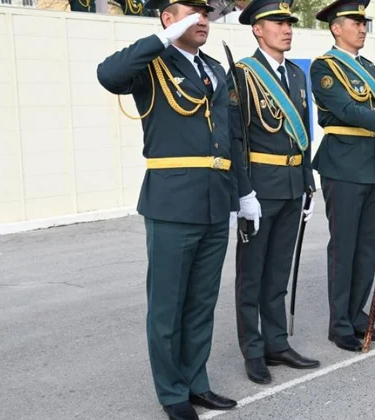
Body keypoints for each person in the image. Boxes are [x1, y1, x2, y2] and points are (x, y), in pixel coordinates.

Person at [96, 0, 261, 417]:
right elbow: (107, 74)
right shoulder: (152, 63)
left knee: (202, 302)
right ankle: (172, 393)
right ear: (169, 19)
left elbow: (230, 140)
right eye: (192, 12)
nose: (203, 19)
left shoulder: (214, 70)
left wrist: (244, 194)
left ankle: (196, 382)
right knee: (168, 306)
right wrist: (160, 39)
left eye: (206, 13)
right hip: (172, 202)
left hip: (215, 200)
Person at [310, 0, 375, 352]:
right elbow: (345, 110)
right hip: (343, 166)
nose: (362, 27)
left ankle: (357, 315)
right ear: (335, 28)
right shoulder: (324, 68)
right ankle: (339, 323)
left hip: (372, 166)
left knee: (366, 248)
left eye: (364, 22)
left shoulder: (369, 66)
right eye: (354, 22)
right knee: (344, 247)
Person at [229, 0, 320, 385]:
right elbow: (237, 137)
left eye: (288, 23)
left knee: (278, 271)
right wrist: (243, 192)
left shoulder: (297, 76)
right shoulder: (243, 75)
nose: (286, 29)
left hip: (291, 187)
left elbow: (303, 136)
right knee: (252, 275)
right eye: (277, 23)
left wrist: (307, 185)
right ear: (257, 29)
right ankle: (253, 350)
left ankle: (277, 342)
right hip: (260, 188)